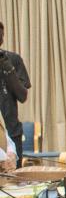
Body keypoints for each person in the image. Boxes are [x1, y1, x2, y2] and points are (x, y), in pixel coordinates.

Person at [0, 21, 30, 157]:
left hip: (12, 132)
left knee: (14, 176)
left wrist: (8, 69)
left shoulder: (13, 59)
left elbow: (22, 96)